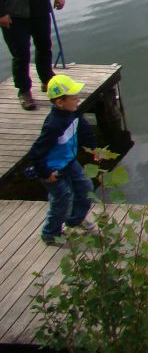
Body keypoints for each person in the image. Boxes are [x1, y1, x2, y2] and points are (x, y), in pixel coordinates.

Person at [26, 74, 94, 246]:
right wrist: (45, 173)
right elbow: (36, 152)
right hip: (52, 168)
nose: (78, 100)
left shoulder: (74, 113)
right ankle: (51, 232)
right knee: (62, 199)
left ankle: (75, 219)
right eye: (73, 98)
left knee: (86, 188)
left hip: (69, 162)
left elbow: (84, 129)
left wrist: (94, 148)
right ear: (59, 102)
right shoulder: (53, 125)